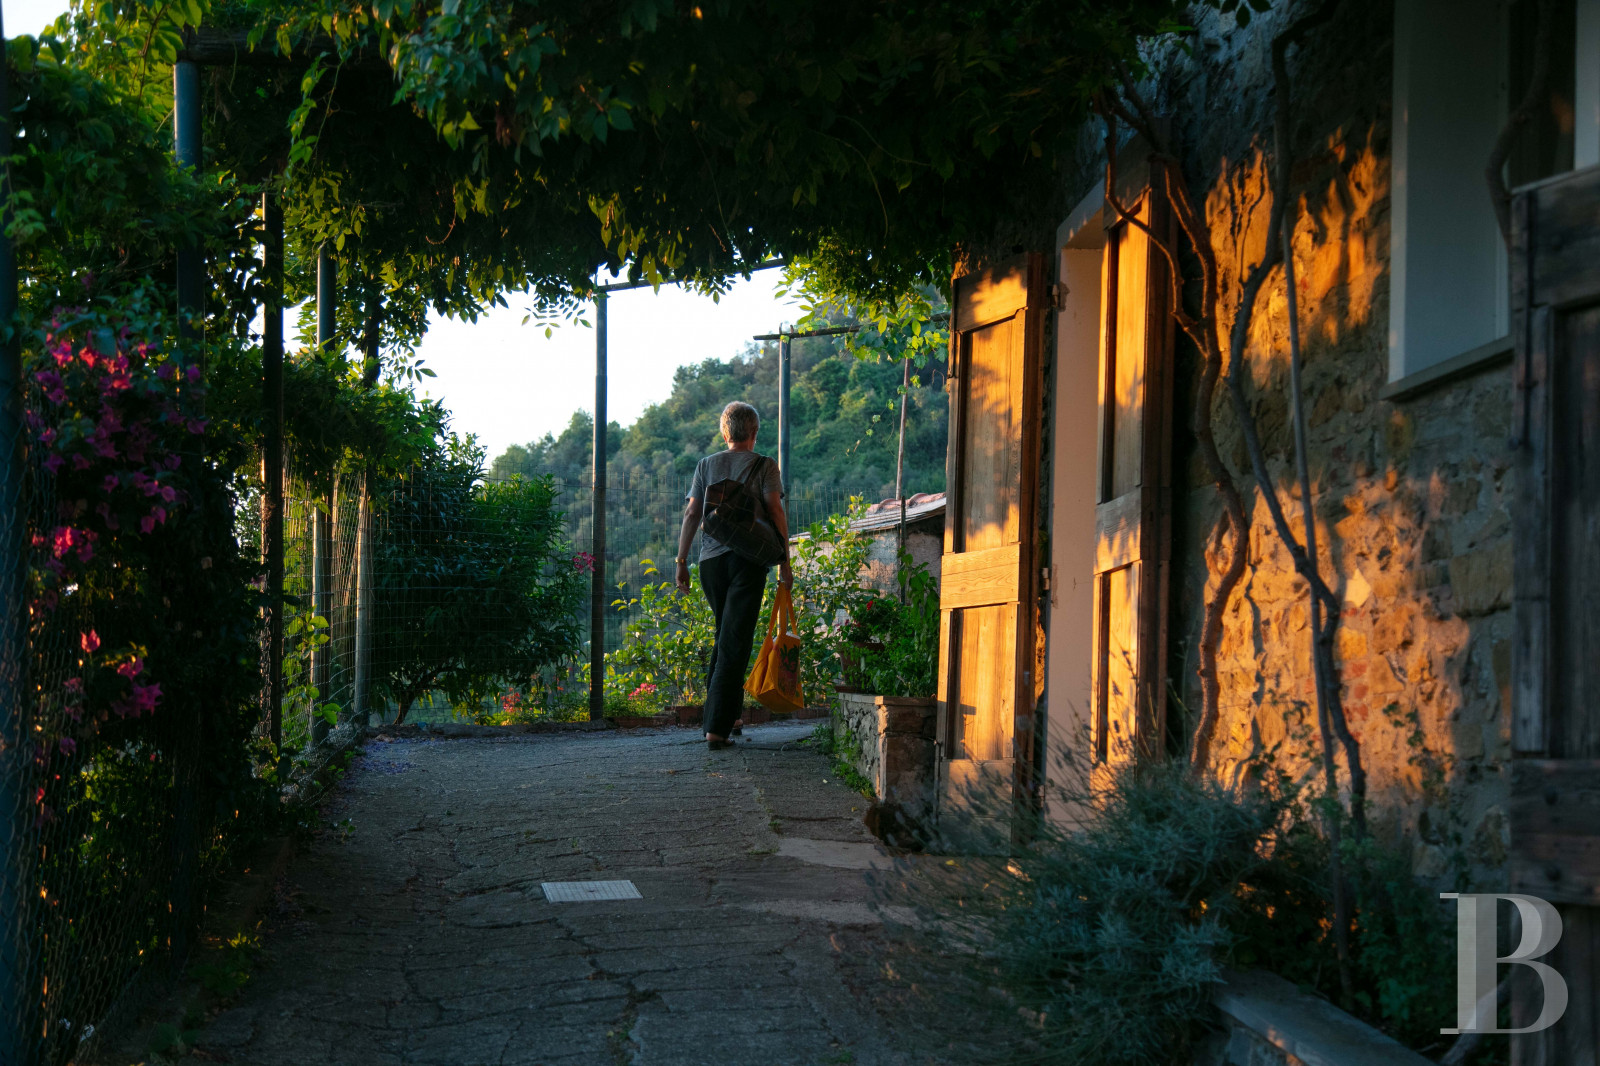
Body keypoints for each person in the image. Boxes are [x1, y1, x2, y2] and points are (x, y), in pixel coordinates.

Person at [675, 401, 792, 750]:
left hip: (710, 563)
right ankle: (716, 731)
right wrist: (785, 559)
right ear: (754, 433)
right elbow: (775, 509)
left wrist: (681, 560)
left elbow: (692, 513)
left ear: (725, 433)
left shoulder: (705, 465)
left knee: (726, 635)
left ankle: (727, 716)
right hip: (747, 560)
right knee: (735, 641)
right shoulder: (765, 465)